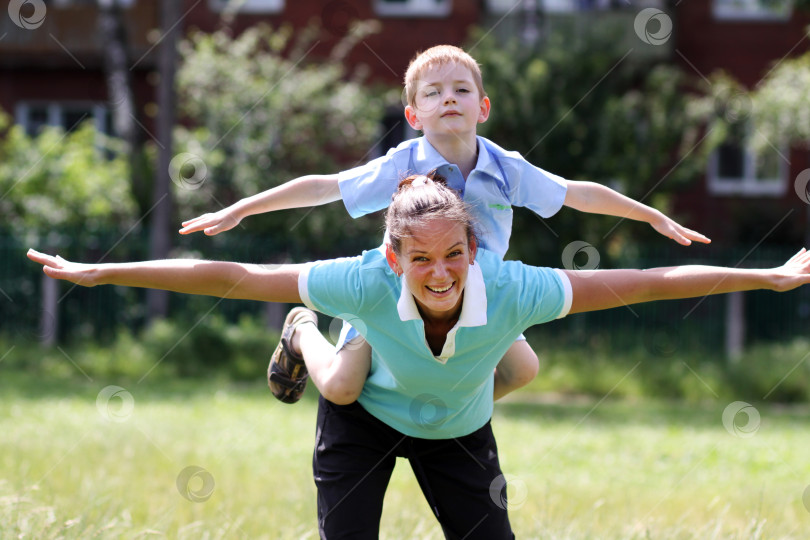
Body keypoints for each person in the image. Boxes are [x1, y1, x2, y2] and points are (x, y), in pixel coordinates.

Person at [27, 175, 810, 539]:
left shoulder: (513, 288)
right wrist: (105, 270)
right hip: (364, 423)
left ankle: (347, 348)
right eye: (421, 260)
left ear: (475, 249)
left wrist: (766, 277)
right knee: (339, 391)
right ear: (394, 259)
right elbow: (232, 275)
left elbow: (645, 282)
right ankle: (305, 330)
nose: (440, 273)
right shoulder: (365, 280)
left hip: (458, 432)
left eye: (454, 256)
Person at [178, 44, 710, 404]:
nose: (446, 98)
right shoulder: (400, 165)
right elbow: (323, 186)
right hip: (397, 292)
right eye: (432, 93)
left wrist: (651, 214)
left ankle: (435, 408)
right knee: (341, 389)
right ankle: (301, 331)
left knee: (523, 370)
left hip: (478, 295)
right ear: (414, 115)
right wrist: (240, 208)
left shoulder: (507, 168)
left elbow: (577, 194)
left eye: (459, 90)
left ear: (481, 107)